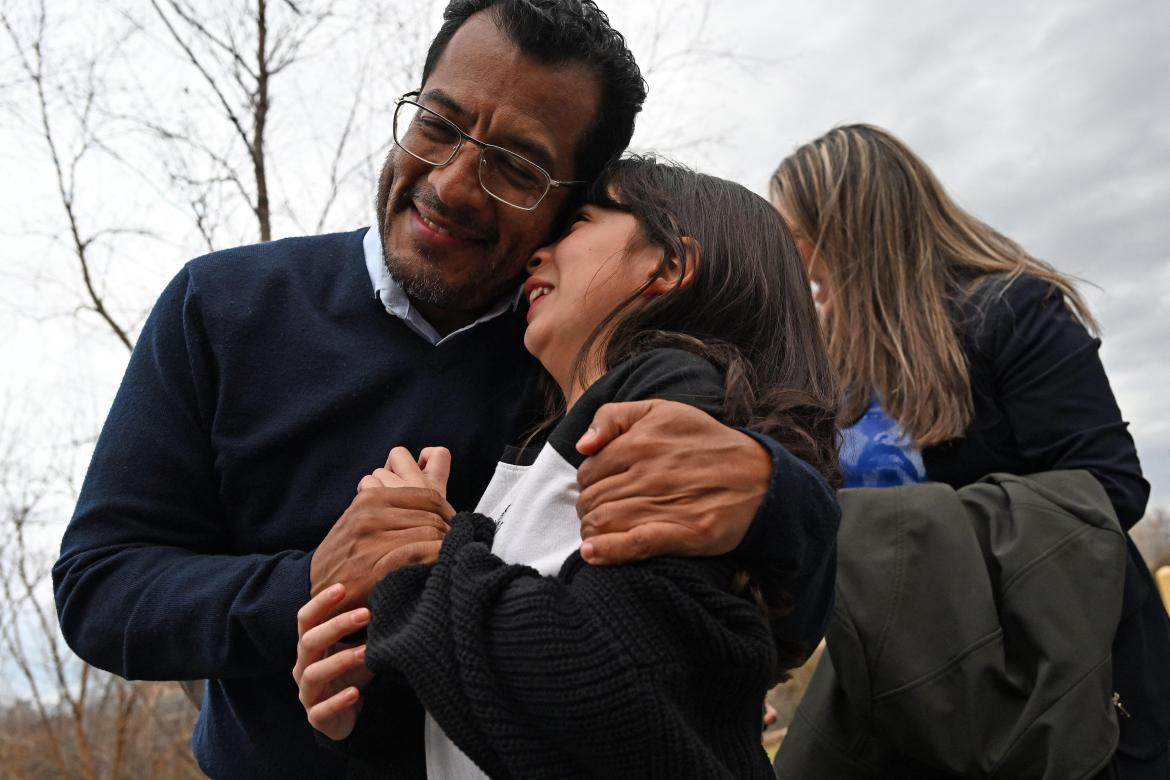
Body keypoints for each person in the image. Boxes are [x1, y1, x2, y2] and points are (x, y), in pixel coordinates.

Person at [51, 3, 840, 778]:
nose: (455, 183)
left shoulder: (577, 354)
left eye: (517, 167)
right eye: (437, 124)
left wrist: (779, 502)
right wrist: (314, 587)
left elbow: (773, 616)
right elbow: (100, 586)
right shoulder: (220, 307)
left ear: (569, 204)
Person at [294, 156, 840, 778]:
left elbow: (605, 689)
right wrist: (366, 704)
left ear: (668, 265)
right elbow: (500, 720)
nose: (538, 254)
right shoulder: (535, 450)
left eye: (578, 222)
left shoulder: (669, 399)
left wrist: (417, 571)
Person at [769, 123, 1170, 778]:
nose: (797, 260)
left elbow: (1109, 487)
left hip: (1062, 667)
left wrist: (903, 538)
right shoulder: (832, 368)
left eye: (798, 235)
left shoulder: (1012, 309)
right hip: (918, 682)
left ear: (848, 223)